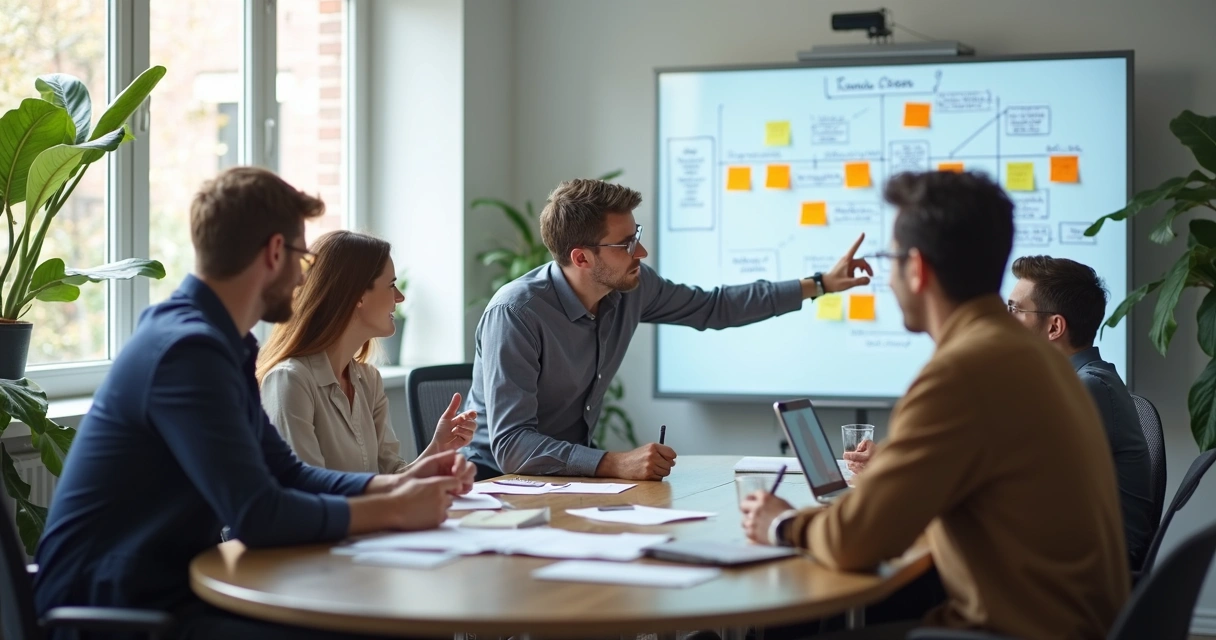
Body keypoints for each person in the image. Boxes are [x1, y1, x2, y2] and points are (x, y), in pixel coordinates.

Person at [34, 167, 475, 640]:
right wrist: (393, 509)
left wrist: (397, 486)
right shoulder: (188, 350)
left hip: (160, 589)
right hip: (114, 609)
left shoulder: (220, 343)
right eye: (302, 258)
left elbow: (288, 474)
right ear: (274, 252)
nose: (304, 279)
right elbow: (257, 515)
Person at [740, 171, 1128, 639]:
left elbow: (854, 541)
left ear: (917, 268)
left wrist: (781, 522)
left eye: (888, 259)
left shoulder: (962, 372)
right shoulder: (1032, 358)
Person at [464, 178, 874, 481]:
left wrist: (818, 284)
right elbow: (512, 447)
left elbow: (714, 307)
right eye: (625, 244)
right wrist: (615, 462)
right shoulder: (517, 313)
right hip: (496, 488)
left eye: (636, 236)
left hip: (569, 483)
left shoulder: (629, 289)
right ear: (582, 258)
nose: (640, 252)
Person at [258, 230, 477, 473]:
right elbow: (307, 493)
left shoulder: (368, 380)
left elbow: (392, 476)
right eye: (392, 285)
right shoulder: (290, 380)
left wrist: (437, 448)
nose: (400, 297)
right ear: (358, 295)